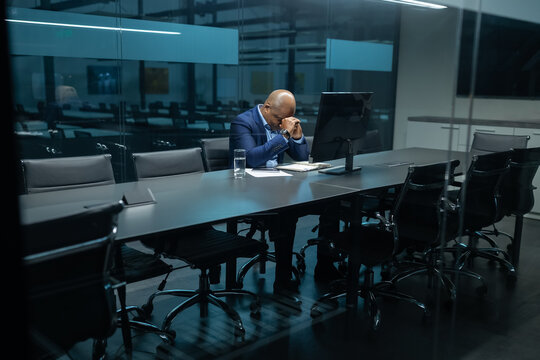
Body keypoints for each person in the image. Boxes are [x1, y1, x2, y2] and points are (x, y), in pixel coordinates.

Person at [229, 89, 342, 297]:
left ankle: (324, 265)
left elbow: (301, 158)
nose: (280, 123)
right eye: (278, 118)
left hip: (279, 186)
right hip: (249, 191)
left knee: (331, 203)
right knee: (287, 212)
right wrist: (284, 135)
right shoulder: (242, 122)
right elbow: (252, 159)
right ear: (266, 107)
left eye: (286, 119)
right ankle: (282, 280)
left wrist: (297, 138)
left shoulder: (282, 124)